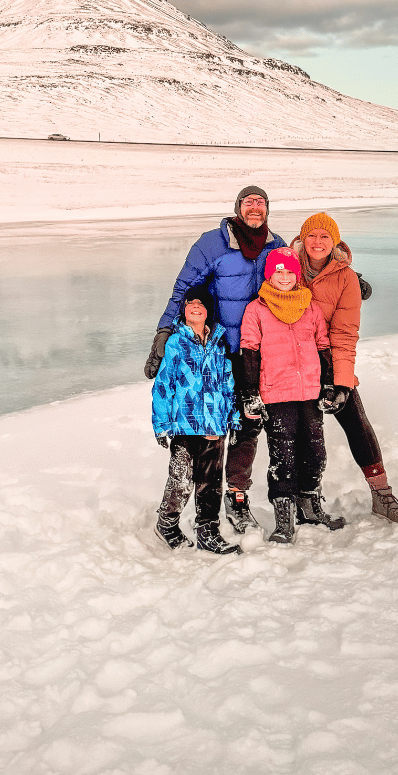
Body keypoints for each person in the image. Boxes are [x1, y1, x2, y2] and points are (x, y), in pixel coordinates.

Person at [145, 186, 286, 534]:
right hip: (220, 352)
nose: (255, 207)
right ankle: (189, 508)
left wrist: (347, 278)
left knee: (250, 425)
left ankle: (236, 497)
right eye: (248, 202)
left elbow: (295, 281)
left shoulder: (276, 244)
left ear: (268, 209)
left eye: (261, 202)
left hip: (260, 351)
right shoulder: (212, 243)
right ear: (237, 208)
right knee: (213, 429)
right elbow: (183, 289)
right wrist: (165, 331)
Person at [291, 212, 398, 523]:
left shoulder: (346, 278)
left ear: (334, 242)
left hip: (331, 360)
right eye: (312, 235)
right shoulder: (285, 268)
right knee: (300, 432)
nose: (318, 242)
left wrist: (342, 382)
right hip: (291, 363)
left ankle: (382, 494)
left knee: (357, 422)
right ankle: (301, 500)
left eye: (325, 236)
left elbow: (345, 332)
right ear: (302, 239)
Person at [239, 247, 344, 544]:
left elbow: (323, 345)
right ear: (269, 275)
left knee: (315, 452)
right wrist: (250, 393)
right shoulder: (256, 309)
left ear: (296, 275)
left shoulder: (309, 307)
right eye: (278, 272)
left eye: (289, 272)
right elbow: (249, 351)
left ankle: (309, 508)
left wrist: (328, 385)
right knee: (283, 457)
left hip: (309, 391)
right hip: (276, 392)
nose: (284, 277)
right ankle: (284, 520)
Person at [152, 286, 241, 554]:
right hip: (184, 424)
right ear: (184, 309)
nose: (195, 307)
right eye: (190, 303)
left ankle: (208, 531)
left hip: (214, 424)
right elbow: (163, 385)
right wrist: (161, 423)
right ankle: (167, 524)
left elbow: (228, 383)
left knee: (211, 482)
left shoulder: (218, 342)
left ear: (208, 311)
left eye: (201, 304)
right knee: (181, 480)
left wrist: (233, 419)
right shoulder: (176, 342)